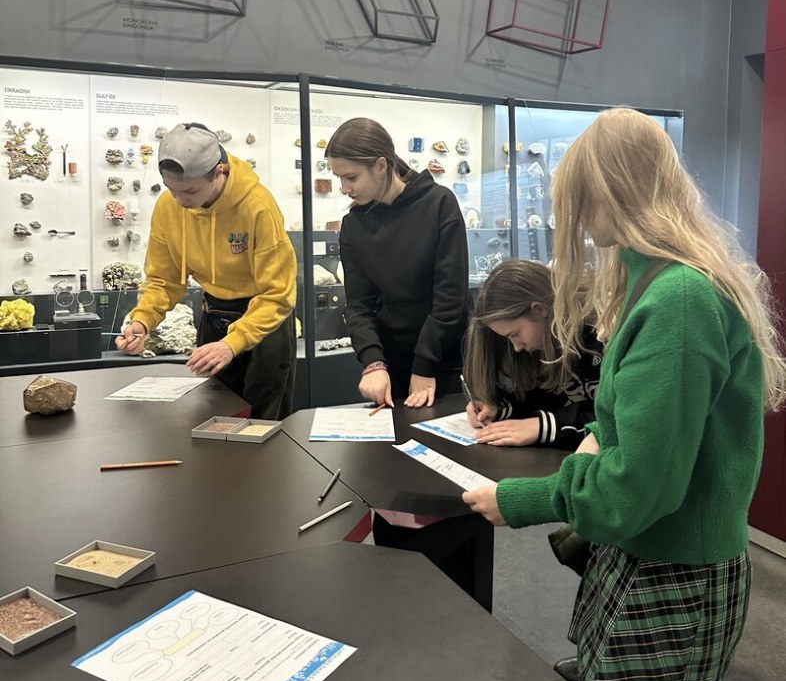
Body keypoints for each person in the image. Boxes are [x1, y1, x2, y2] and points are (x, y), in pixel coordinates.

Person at [463, 107, 786, 681]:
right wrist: (595, 437)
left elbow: (638, 486)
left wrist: (521, 501)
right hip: (643, 551)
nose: (577, 221)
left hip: (674, 566)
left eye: (581, 200)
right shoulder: (655, 283)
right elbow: (630, 426)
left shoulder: (678, 300)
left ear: (612, 191)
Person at [116, 122, 298, 419]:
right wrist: (142, 321)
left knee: (262, 421)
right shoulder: (169, 206)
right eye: (171, 190)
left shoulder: (257, 207)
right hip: (214, 312)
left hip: (264, 319)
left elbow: (278, 294)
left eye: (190, 190)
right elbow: (163, 278)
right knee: (215, 414)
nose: (179, 201)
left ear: (219, 172)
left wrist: (232, 343)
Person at [326, 117, 469, 410]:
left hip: (445, 359)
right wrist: (372, 362)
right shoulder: (354, 225)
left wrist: (425, 363)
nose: (344, 188)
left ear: (380, 166)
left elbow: (450, 297)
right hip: (392, 365)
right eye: (339, 177)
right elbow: (359, 305)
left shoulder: (439, 204)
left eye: (351, 177)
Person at [463, 258, 601, 450]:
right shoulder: (545, 341)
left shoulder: (601, 336)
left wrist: (544, 426)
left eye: (515, 334)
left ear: (539, 310)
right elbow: (546, 398)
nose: (516, 347)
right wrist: (500, 410)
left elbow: (616, 416)